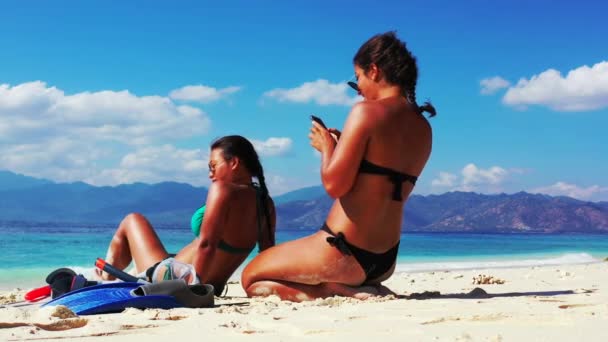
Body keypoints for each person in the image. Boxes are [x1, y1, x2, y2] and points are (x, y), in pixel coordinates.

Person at [241, 31, 436, 302]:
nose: (359, 90)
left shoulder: (366, 112)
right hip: (384, 261)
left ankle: (330, 289)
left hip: (342, 252)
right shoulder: (424, 128)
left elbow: (335, 185)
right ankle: (353, 285)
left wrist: (327, 148)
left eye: (358, 79)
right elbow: (381, 182)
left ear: (374, 70)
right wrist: (347, 146)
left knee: (251, 276)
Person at [96, 135, 276, 296]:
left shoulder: (223, 189)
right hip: (213, 286)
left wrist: (195, 290)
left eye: (213, 166)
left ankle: (106, 277)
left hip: (175, 279)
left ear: (234, 163)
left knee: (132, 219)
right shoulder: (265, 203)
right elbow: (267, 254)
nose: (210, 174)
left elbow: (207, 245)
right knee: (163, 252)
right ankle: (112, 276)